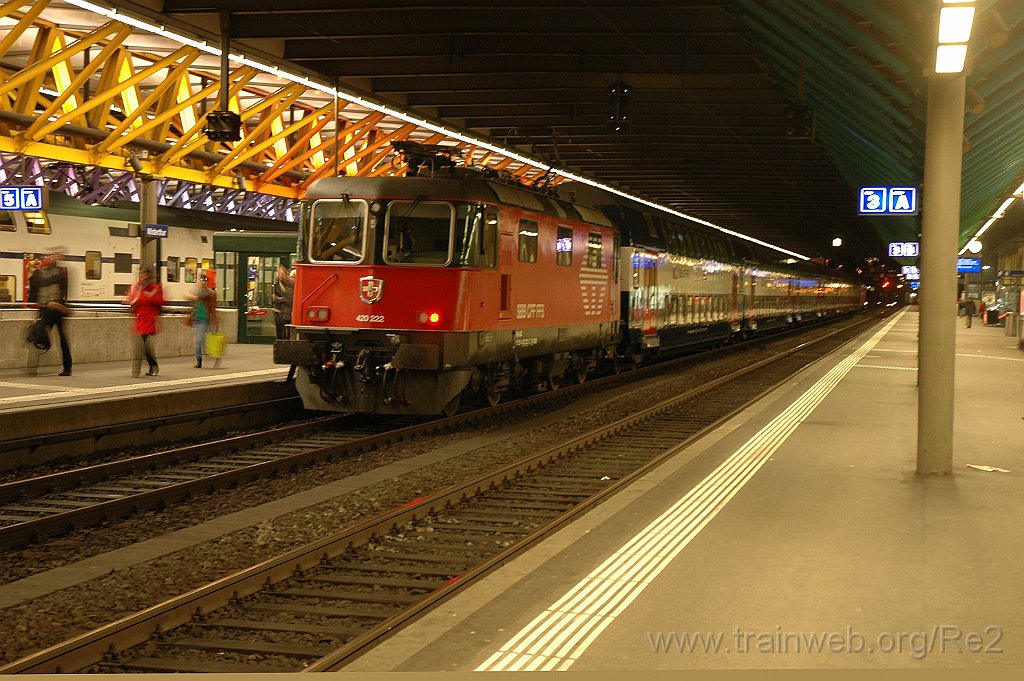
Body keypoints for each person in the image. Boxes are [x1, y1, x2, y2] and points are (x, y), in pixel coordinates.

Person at [27, 246, 73, 376]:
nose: (49, 258)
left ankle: (66, 367)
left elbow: (51, 282)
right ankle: (34, 366)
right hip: (47, 309)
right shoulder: (41, 274)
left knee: (56, 338)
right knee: (41, 335)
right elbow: (33, 294)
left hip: (55, 308)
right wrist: (33, 275)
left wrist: (36, 273)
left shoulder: (57, 272)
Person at [124, 266, 164, 377]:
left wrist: (150, 297)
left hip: (149, 321)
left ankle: (149, 368)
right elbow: (132, 300)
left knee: (145, 347)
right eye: (140, 273)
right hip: (140, 321)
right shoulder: (137, 287)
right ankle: (142, 369)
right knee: (140, 347)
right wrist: (129, 301)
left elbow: (161, 301)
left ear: (148, 275)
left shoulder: (153, 288)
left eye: (143, 274)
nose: (141, 276)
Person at [185, 272, 217, 368]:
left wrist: (215, 319)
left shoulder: (210, 293)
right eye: (202, 280)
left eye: (205, 280)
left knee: (201, 341)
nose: (203, 282)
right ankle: (199, 360)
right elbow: (186, 295)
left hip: (204, 319)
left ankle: (204, 358)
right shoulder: (196, 291)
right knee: (199, 341)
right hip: (196, 319)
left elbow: (213, 306)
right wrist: (193, 297)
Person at [273, 263, 294, 340]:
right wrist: (275, 298)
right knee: (280, 330)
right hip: (279, 311)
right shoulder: (276, 284)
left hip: (288, 311)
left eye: (282, 273)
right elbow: (273, 296)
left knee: (289, 331)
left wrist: (282, 299)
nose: (280, 275)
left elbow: (291, 297)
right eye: (279, 273)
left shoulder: (291, 284)